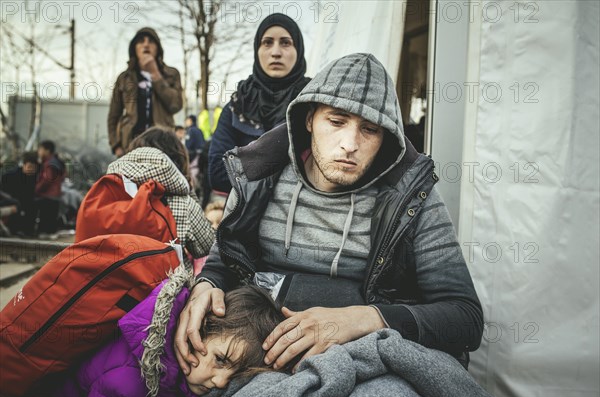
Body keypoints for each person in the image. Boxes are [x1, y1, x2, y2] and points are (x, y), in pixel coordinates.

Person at [175, 53, 484, 376]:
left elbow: (465, 318)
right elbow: (222, 264)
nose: (350, 143)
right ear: (309, 119)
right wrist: (205, 286)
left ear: (387, 138)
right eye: (336, 122)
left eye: (370, 129)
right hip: (261, 357)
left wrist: (362, 318)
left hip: (367, 359)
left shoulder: (411, 199)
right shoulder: (257, 178)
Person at [51, 265, 285, 397]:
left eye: (237, 374)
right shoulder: (132, 382)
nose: (222, 382)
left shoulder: (167, 371)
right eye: (221, 359)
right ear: (196, 328)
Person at [208, 13, 311, 194]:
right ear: (257, 49)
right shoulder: (238, 105)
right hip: (245, 219)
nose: (276, 52)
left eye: (285, 42)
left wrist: (243, 166)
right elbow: (217, 173)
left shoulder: (313, 102)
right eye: (267, 42)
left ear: (299, 49)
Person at [106, 127, 214, 263]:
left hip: (106, 278)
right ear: (177, 161)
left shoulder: (108, 189)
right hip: (164, 282)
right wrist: (188, 191)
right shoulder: (182, 203)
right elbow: (207, 246)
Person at [107, 27, 183, 157]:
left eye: (151, 41)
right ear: (134, 48)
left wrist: (155, 74)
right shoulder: (125, 78)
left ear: (158, 48)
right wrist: (116, 145)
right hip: (131, 143)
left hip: (162, 144)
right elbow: (114, 115)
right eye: (141, 41)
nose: (146, 44)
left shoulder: (171, 74)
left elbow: (175, 105)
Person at [1, 151, 39, 236]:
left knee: (32, 206)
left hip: (25, 199)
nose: (31, 169)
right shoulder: (12, 175)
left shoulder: (33, 177)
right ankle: (16, 230)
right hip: (10, 198)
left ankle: (28, 231)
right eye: (29, 167)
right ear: (24, 165)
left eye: (33, 168)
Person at [35, 141, 65, 239]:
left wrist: (36, 189)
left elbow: (47, 180)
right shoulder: (57, 161)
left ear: (47, 151)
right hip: (55, 196)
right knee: (49, 226)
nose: (39, 152)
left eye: (40, 149)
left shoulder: (50, 163)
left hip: (48, 197)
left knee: (45, 229)